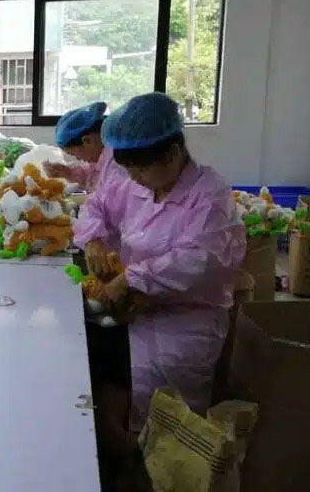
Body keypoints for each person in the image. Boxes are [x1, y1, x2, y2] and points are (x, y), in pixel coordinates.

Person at [73, 93, 245, 450]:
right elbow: (96, 206)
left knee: (166, 425)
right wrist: (94, 241)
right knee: (105, 378)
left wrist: (134, 278)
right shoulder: (136, 185)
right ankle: (119, 453)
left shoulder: (210, 198)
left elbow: (199, 260)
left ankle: (152, 471)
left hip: (184, 323)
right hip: (132, 310)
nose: (132, 178)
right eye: (128, 168)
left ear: (172, 153)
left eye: (139, 168)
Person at [45, 101, 125, 193]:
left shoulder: (116, 162)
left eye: (73, 153)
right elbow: (90, 175)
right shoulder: (100, 156)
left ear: (87, 141)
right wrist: (68, 172)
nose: (78, 158)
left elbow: (106, 197)